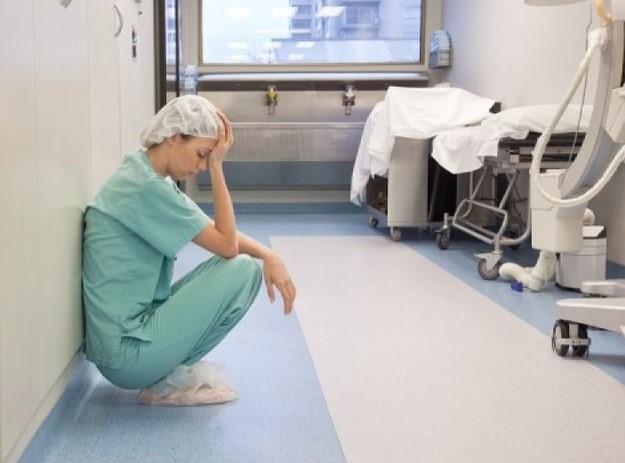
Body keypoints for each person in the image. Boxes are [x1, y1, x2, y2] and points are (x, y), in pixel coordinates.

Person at [82, 95, 296, 405]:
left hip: (126, 341)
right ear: (173, 136)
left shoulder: (143, 175)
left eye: (208, 159)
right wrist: (218, 168)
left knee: (241, 264)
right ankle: (161, 380)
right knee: (243, 269)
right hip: (126, 355)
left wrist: (269, 254)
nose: (201, 166)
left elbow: (211, 228)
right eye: (201, 155)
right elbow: (227, 244)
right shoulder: (146, 187)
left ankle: (164, 374)